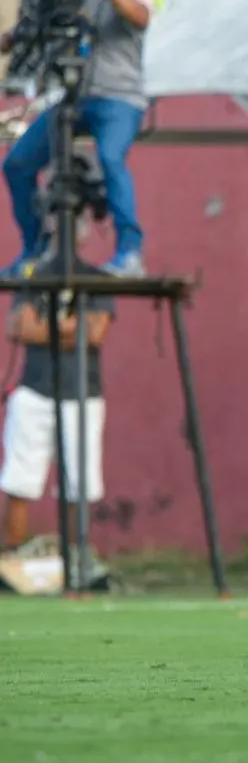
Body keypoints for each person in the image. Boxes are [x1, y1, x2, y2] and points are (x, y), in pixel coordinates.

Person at [1, 0, 166, 277]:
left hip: (119, 98)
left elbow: (140, 17)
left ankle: (130, 253)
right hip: (73, 98)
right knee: (17, 164)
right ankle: (35, 250)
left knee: (111, 158)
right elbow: (44, 23)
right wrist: (13, 38)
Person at [0, 227, 115, 551]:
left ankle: (75, 559)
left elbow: (95, 334)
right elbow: (19, 327)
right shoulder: (32, 274)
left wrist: (45, 328)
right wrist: (70, 329)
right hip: (34, 390)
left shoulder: (96, 278)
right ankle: (8, 559)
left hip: (83, 394)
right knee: (18, 481)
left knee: (79, 487)